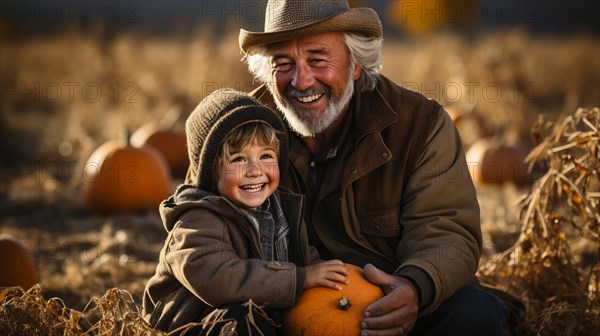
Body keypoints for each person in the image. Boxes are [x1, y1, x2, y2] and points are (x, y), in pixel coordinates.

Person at [237, 0, 510, 335]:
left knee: (472, 316)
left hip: (394, 306)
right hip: (284, 305)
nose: (302, 81)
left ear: (355, 63)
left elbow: (446, 229)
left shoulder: (421, 125)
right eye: (284, 63)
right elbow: (199, 227)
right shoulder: (240, 130)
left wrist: (414, 286)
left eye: (317, 59)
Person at [142, 89, 349, 335]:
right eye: (239, 159)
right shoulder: (197, 219)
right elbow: (217, 278)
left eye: (266, 156)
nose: (255, 170)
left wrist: (331, 276)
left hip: (263, 318)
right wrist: (300, 278)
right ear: (211, 171)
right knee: (240, 319)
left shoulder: (281, 210)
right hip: (193, 325)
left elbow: (304, 257)